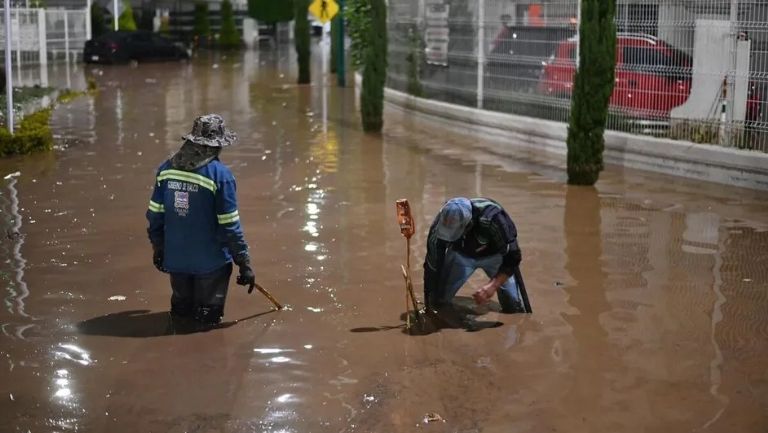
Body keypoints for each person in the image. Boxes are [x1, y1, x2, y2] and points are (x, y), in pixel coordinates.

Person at [146, 114, 256, 325]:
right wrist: (244, 263)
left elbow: (155, 215)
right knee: (207, 322)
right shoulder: (220, 176)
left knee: (180, 314)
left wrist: (158, 248)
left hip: (175, 259)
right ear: (216, 146)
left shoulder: (166, 170)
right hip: (211, 264)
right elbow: (230, 226)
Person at [423, 197, 528, 314]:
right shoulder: (438, 226)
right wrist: (429, 303)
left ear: (468, 224)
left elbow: (513, 256)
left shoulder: (493, 217)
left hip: (496, 257)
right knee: (439, 300)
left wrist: (493, 286)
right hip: (461, 255)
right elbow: (432, 267)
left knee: (514, 305)